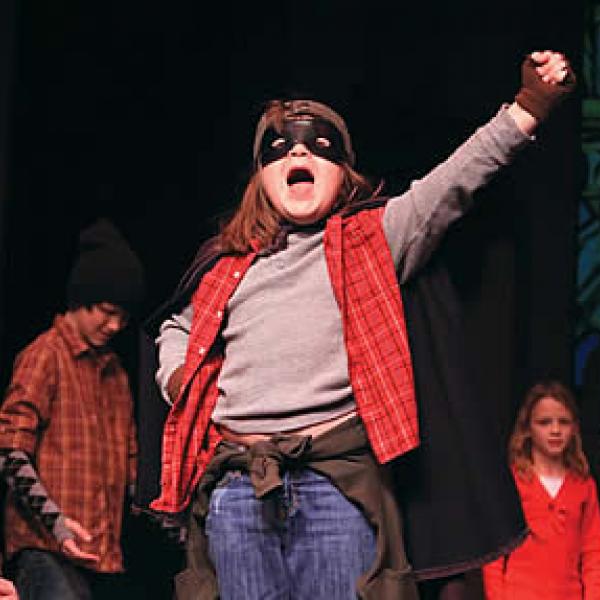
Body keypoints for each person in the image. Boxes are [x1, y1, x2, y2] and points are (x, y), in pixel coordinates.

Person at [144, 51, 575, 600]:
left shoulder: (374, 239)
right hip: (237, 486)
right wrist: (176, 375)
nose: (297, 152)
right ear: (260, 178)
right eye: (279, 150)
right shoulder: (228, 263)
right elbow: (175, 325)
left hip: (335, 483)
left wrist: (529, 106)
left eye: (317, 146)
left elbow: (456, 179)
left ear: (343, 171)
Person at [0, 219, 145, 600]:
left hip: (98, 555)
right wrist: (57, 523)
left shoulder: (115, 373)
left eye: (124, 317)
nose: (114, 325)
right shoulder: (44, 355)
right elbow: (9, 450)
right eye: (106, 310)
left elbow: (130, 463)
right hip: (44, 549)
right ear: (81, 298)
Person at [482, 381, 600, 599]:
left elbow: (593, 553)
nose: (555, 430)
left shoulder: (583, 486)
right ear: (527, 428)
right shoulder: (513, 482)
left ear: (574, 428)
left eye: (563, 422)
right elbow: (495, 555)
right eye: (544, 422)